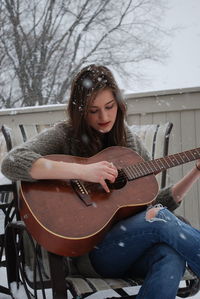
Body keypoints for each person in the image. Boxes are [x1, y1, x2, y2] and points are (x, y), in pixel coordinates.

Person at [1, 64, 200, 299]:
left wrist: (195, 172)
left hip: (132, 248)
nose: (104, 117)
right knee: (160, 219)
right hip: (91, 252)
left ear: (119, 105)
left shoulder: (129, 143)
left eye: (109, 107)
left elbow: (152, 205)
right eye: (93, 110)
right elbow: (12, 161)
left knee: (170, 254)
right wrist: (82, 171)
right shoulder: (66, 134)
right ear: (80, 110)